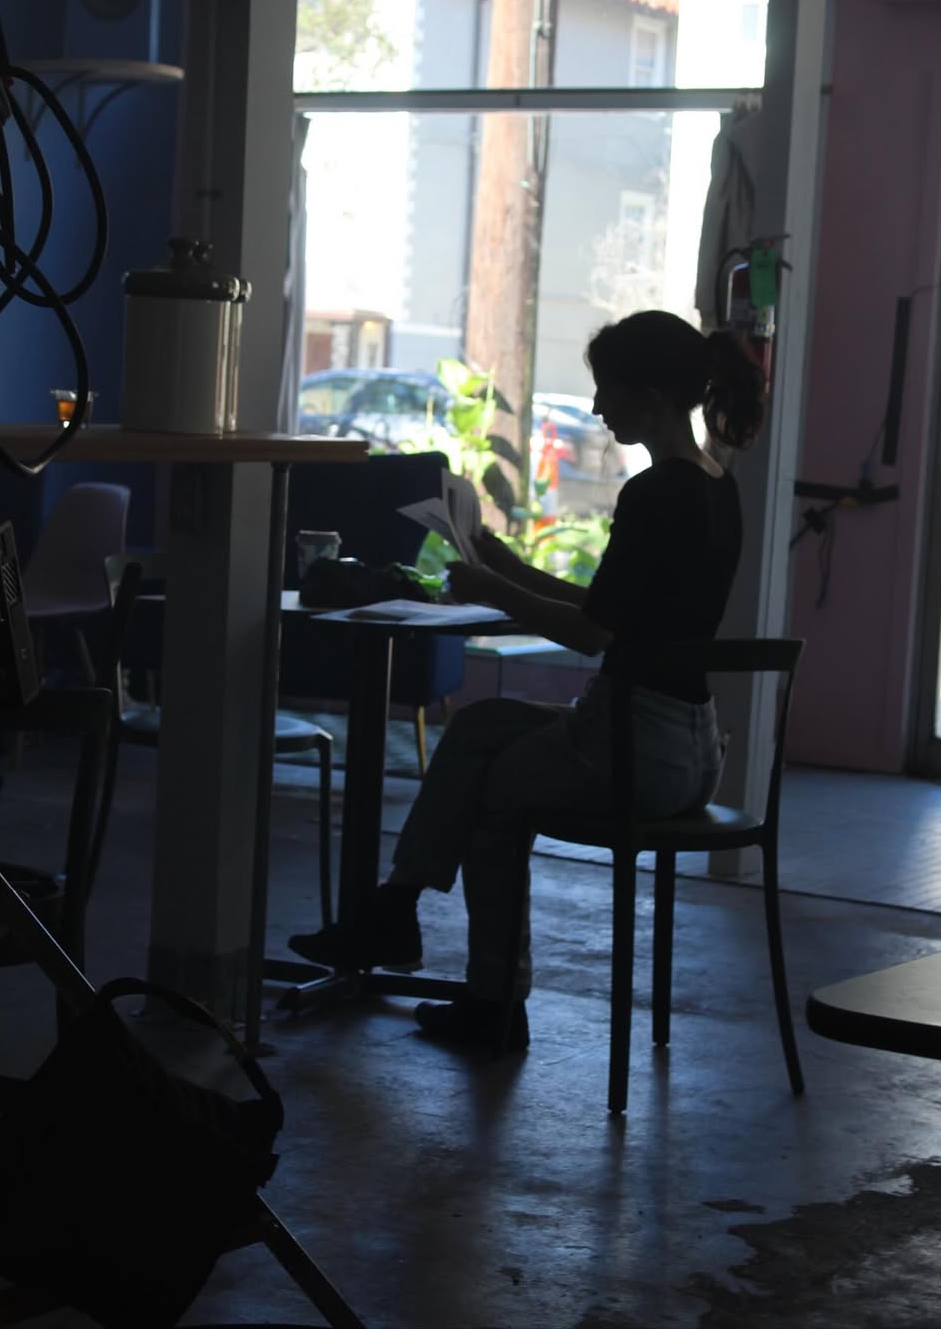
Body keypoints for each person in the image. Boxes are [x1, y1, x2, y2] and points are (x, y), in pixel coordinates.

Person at [289, 309, 766, 1051]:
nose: (598, 407)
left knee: (493, 794)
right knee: (481, 726)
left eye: (608, 390)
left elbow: (593, 634)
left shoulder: (654, 493)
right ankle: (397, 912)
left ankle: (488, 999)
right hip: (692, 747)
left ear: (651, 395)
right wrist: (511, 570)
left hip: (633, 745)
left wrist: (494, 590)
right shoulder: (714, 487)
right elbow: (616, 610)